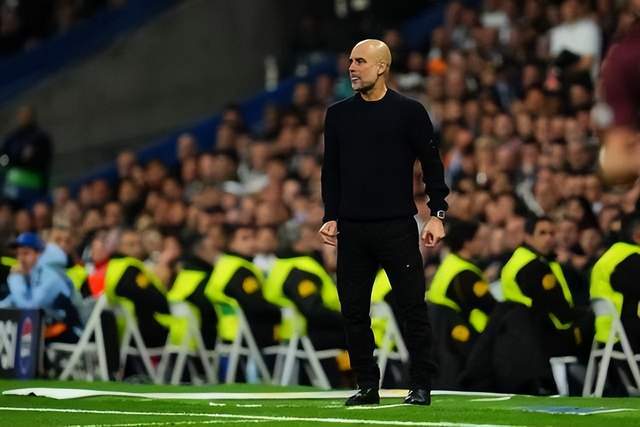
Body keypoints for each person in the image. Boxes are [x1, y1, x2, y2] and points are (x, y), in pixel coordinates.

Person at [319, 39, 449, 406]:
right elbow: (331, 171)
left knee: (412, 308)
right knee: (353, 311)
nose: (352, 68)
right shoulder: (338, 115)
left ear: (381, 67)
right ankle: (366, 385)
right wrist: (330, 215)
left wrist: (437, 214)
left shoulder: (409, 112)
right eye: (350, 61)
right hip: (353, 230)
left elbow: (432, 164)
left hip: (396, 227)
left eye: (360, 61)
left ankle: (421, 384)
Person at [427, 220, 496, 390]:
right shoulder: (466, 273)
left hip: (439, 334)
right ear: (467, 242)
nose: (483, 243)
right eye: (479, 239)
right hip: (455, 337)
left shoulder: (450, 263)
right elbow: (490, 306)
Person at [0, 232, 82, 344]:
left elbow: (30, 310)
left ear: (39, 254)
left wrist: (15, 279)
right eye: (18, 254)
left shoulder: (51, 276)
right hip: (47, 329)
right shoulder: (31, 275)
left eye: (26, 253)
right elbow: (14, 300)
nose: (21, 259)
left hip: (70, 330)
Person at [591, 212, 640, 352]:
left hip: (605, 333)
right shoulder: (633, 259)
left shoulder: (610, 255)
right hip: (627, 334)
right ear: (638, 236)